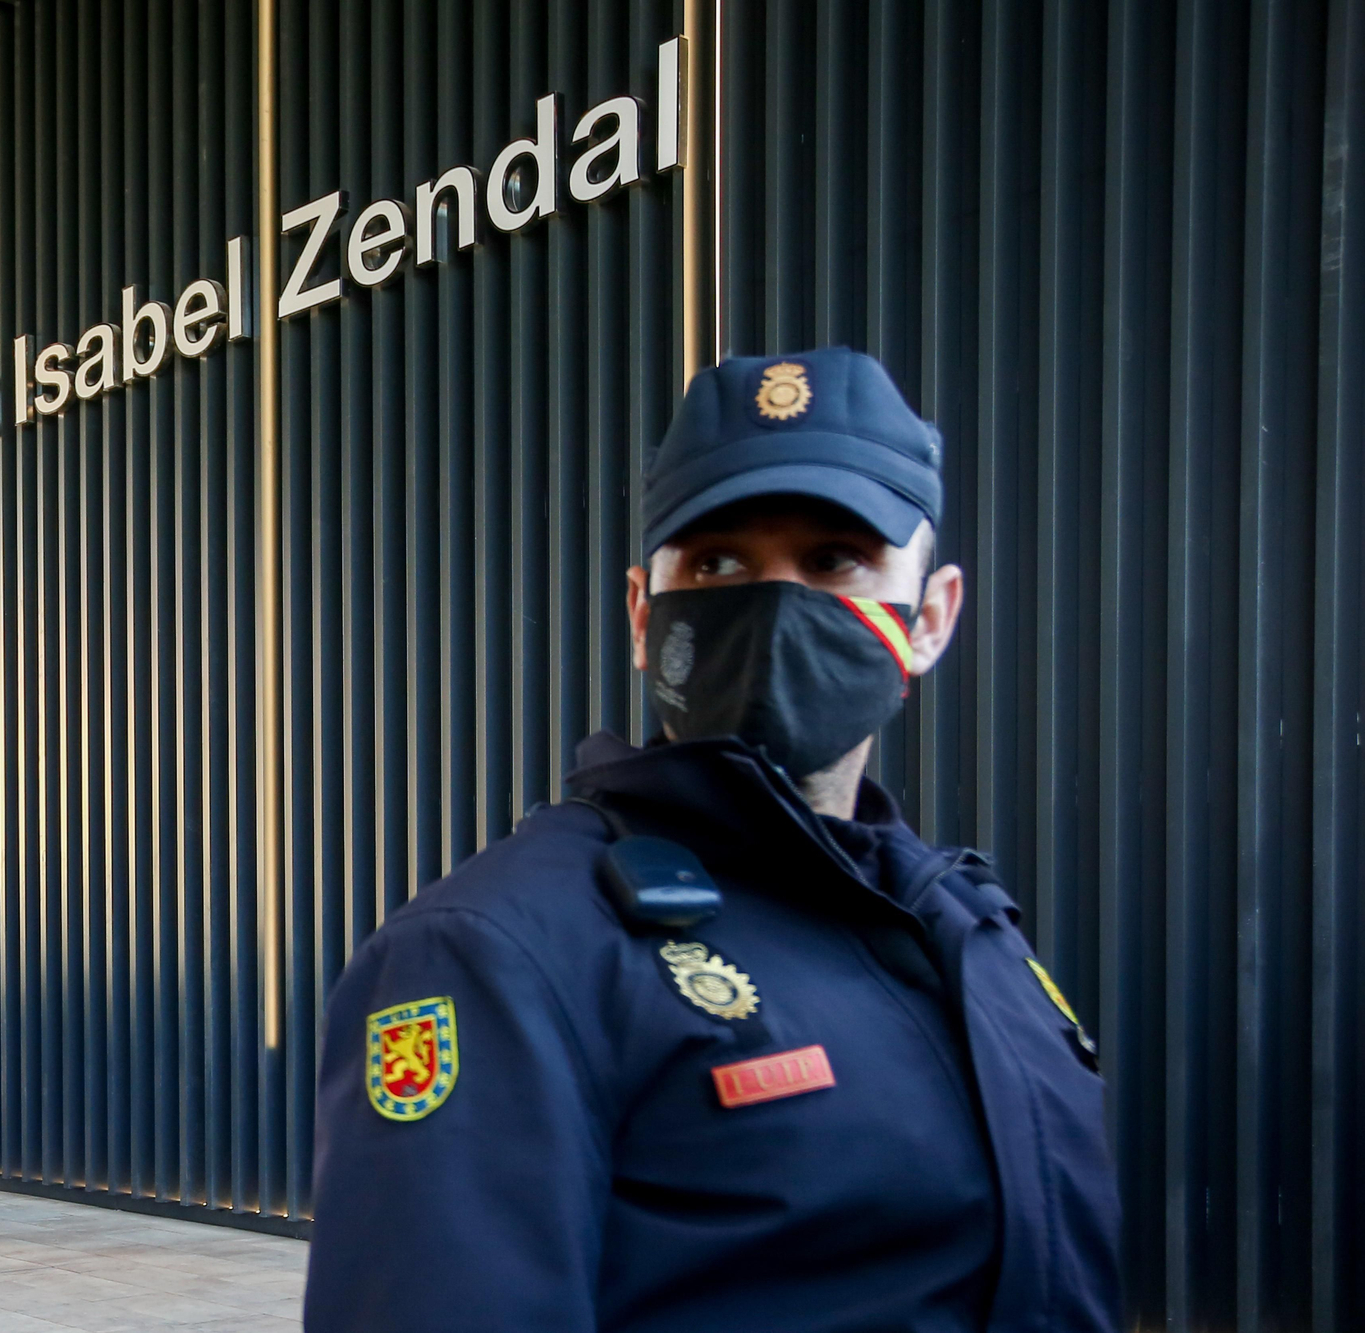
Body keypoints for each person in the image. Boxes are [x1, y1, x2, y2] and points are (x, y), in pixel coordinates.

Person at [303, 348, 1120, 1332]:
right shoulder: (501, 951)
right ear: (642, 615)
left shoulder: (969, 930)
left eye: (835, 559)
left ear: (931, 616)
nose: (774, 607)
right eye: (716, 562)